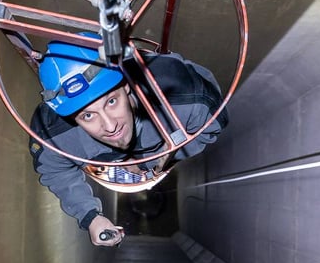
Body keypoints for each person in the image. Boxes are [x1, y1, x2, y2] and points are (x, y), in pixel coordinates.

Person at [28, 37, 227, 247]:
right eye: (88, 115)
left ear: (126, 86)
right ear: (70, 118)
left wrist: (158, 158)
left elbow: (212, 127)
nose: (110, 126)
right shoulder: (53, 135)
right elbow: (56, 171)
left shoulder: (186, 98)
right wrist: (90, 217)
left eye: (111, 101)